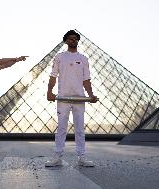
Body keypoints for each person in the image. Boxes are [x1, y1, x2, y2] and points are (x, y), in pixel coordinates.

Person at [45, 30, 98, 167]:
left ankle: (82, 157)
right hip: (62, 98)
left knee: (80, 129)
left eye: (75, 38)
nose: (73, 40)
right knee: (61, 128)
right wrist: (49, 91)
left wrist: (91, 95)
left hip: (79, 98)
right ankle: (57, 156)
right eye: (70, 38)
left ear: (78, 41)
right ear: (66, 41)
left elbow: (86, 79)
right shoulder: (60, 57)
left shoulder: (83, 59)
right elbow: (53, 76)